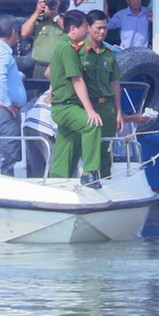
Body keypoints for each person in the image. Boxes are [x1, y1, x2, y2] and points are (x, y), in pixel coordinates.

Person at [48, 10, 104, 188]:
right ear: (73, 28)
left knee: (66, 145)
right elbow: (77, 80)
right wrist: (90, 110)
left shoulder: (62, 46)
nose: (87, 31)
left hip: (62, 105)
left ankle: (57, 181)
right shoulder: (67, 48)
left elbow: (50, 72)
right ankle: (89, 173)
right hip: (66, 106)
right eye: (85, 27)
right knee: (91, 125)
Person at [79, 10, 126, 180]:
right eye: (98, 28)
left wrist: (119, 111)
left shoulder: (109, 53)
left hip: (107, 106)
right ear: (88, 28)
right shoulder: (79, 51)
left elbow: (114, 83)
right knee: (88, 147)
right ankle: (87, 178)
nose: (102, 32)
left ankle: (105, 181)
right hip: (87, 106)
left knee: (106, 149)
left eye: (105, 28)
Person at [0, 15, 28, 176]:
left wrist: (17, 76)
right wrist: (7, 103)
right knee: (9, 157)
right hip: (5, 112)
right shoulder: (3, 53)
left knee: (2, 153)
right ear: (14, 32)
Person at [21, 0, 65, 79]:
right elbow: (24, 33)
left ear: (59, 1)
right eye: (48, 1)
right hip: (40, 67)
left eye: (54, 1)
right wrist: (37, 12)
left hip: (60, 66)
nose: (51, 3)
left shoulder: (65, 19)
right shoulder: (37, 20)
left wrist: (55, 17)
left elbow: (71, 31)